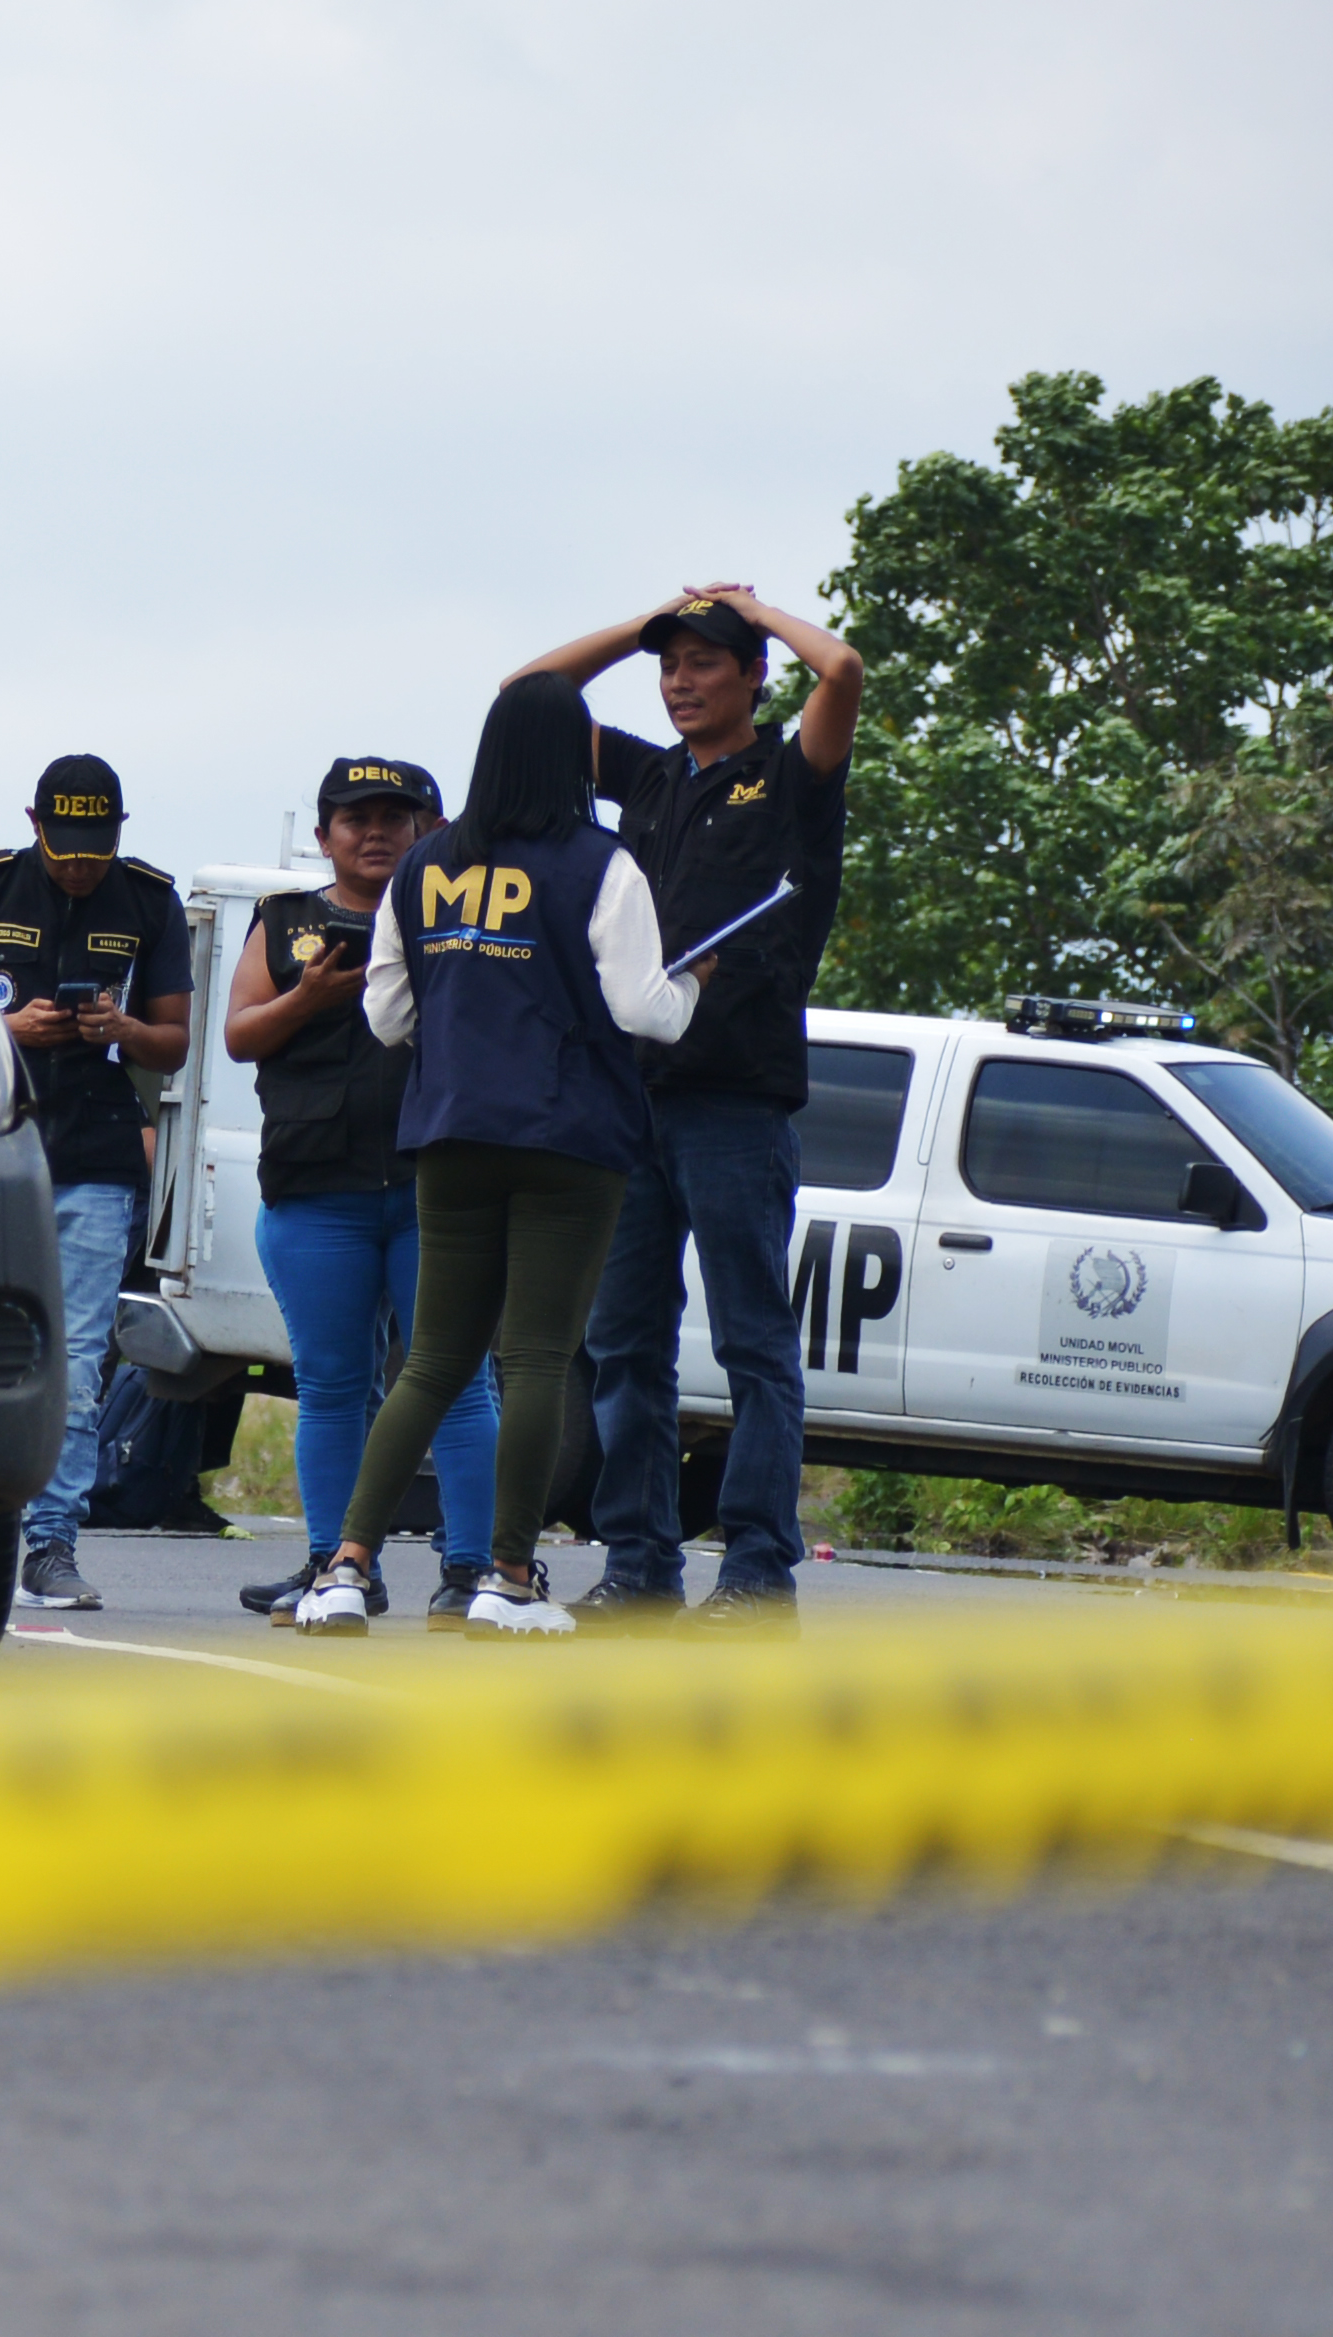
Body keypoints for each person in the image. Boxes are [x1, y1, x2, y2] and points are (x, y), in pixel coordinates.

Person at [288, 675, 700, 1639]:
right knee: (537, 1359)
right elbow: (644, 1009)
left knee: (429, 1359)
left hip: (449, 1131)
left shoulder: (424, 865)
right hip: (571, 1140)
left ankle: (344, 1567)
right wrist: (692, 988)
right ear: (574, 760)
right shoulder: (606, 865)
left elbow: (386, 1015)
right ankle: (507, 1578)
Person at [509, 583, 864, 1623]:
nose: (680, 679)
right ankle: (640, 1562)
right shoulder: (652, 776)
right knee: (625, 1341)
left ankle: (757, 1567)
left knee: (754, 1339)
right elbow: (528, 695)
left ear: (754, 674)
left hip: (736, 1103)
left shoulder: (789, 774)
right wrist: (645, 621)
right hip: (632, 1097)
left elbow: (839, 672)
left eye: (705, 661)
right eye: (670, 665)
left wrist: (752, 608)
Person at [221, 755, 500, 1627]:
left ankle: (471, 1570)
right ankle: (335, 1567)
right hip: (316, 1191)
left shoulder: (467, 919)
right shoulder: (285, 921)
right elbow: (236, 1036)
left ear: (433, 828)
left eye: (395, 815)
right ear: (323, 836)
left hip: (438, 1189)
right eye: (355, 817)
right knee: (332, 1384)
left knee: (457, 1380)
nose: (375, 832)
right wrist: (306, 999)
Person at [0, 752, 191, 1612]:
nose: (80, 862)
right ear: (35, 824)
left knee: (79, 1363)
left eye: (97, 845)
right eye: (65, 843)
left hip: (96, 1158)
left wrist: (119, 1027)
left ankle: (51, 1546)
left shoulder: (150, 900)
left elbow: (176, 1042)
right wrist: (8, 1028)